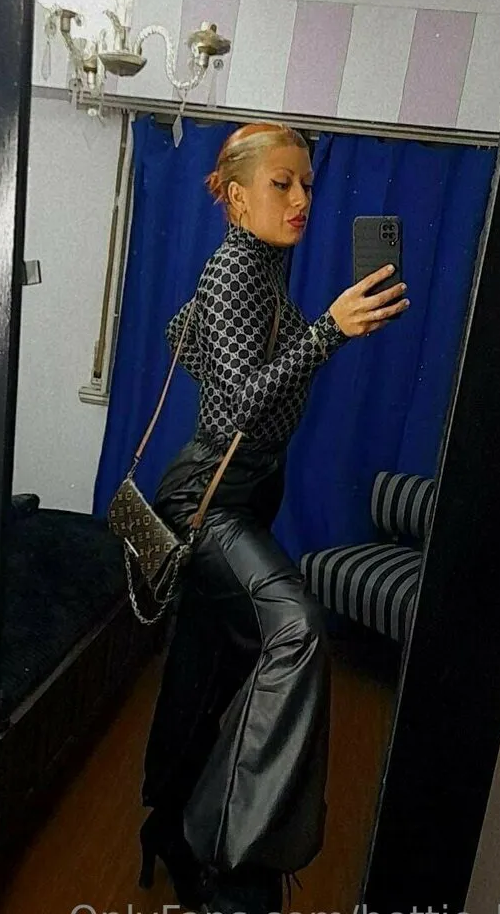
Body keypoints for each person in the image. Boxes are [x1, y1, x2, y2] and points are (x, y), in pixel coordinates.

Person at [137, 122, 410, 914]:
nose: (301, 200)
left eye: (308, 185)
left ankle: (165, 823)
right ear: (235, 198)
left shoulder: (263, 267)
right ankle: (237, 868)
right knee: (297, 627)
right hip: (209, 501)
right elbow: (239, 406)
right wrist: (328, 332)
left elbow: (183, 336)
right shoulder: (233, 268)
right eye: (281, 183)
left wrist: (323, 333)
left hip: (250, 493)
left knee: (207, 671)